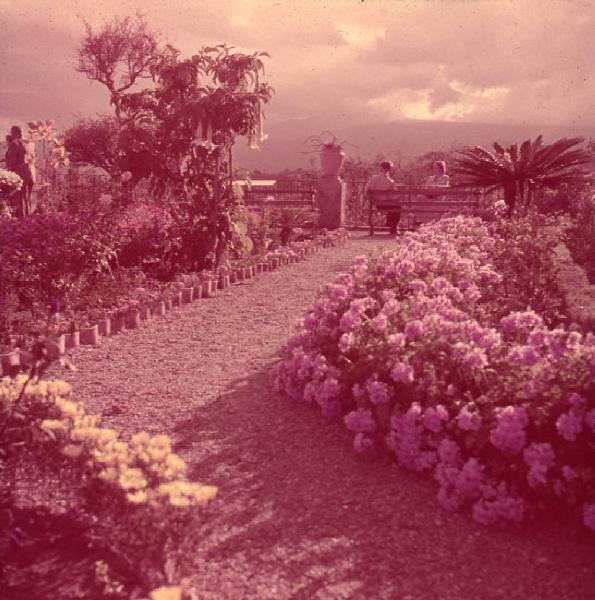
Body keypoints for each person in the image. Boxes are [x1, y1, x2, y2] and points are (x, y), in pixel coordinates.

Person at [5, 125, 36, 217]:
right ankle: (31, 222)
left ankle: (23, 224)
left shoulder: (15, 143)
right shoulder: (30, 143)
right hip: (31, 174)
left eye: (12, 132)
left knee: (21, 200)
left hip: (21, 175)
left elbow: (10, 162)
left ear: (15, 133)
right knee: (29, 199)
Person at [365, 160, 401, 235]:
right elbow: (396, 195)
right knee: (397, 207)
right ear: (389, 169)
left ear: (381, 168)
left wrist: (371, 199)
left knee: (394, 206)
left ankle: (389, 223)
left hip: (376, 204)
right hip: (387, 204)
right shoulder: (391, 181)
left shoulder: (373, 178)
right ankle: (392, 227)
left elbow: (367, 189)